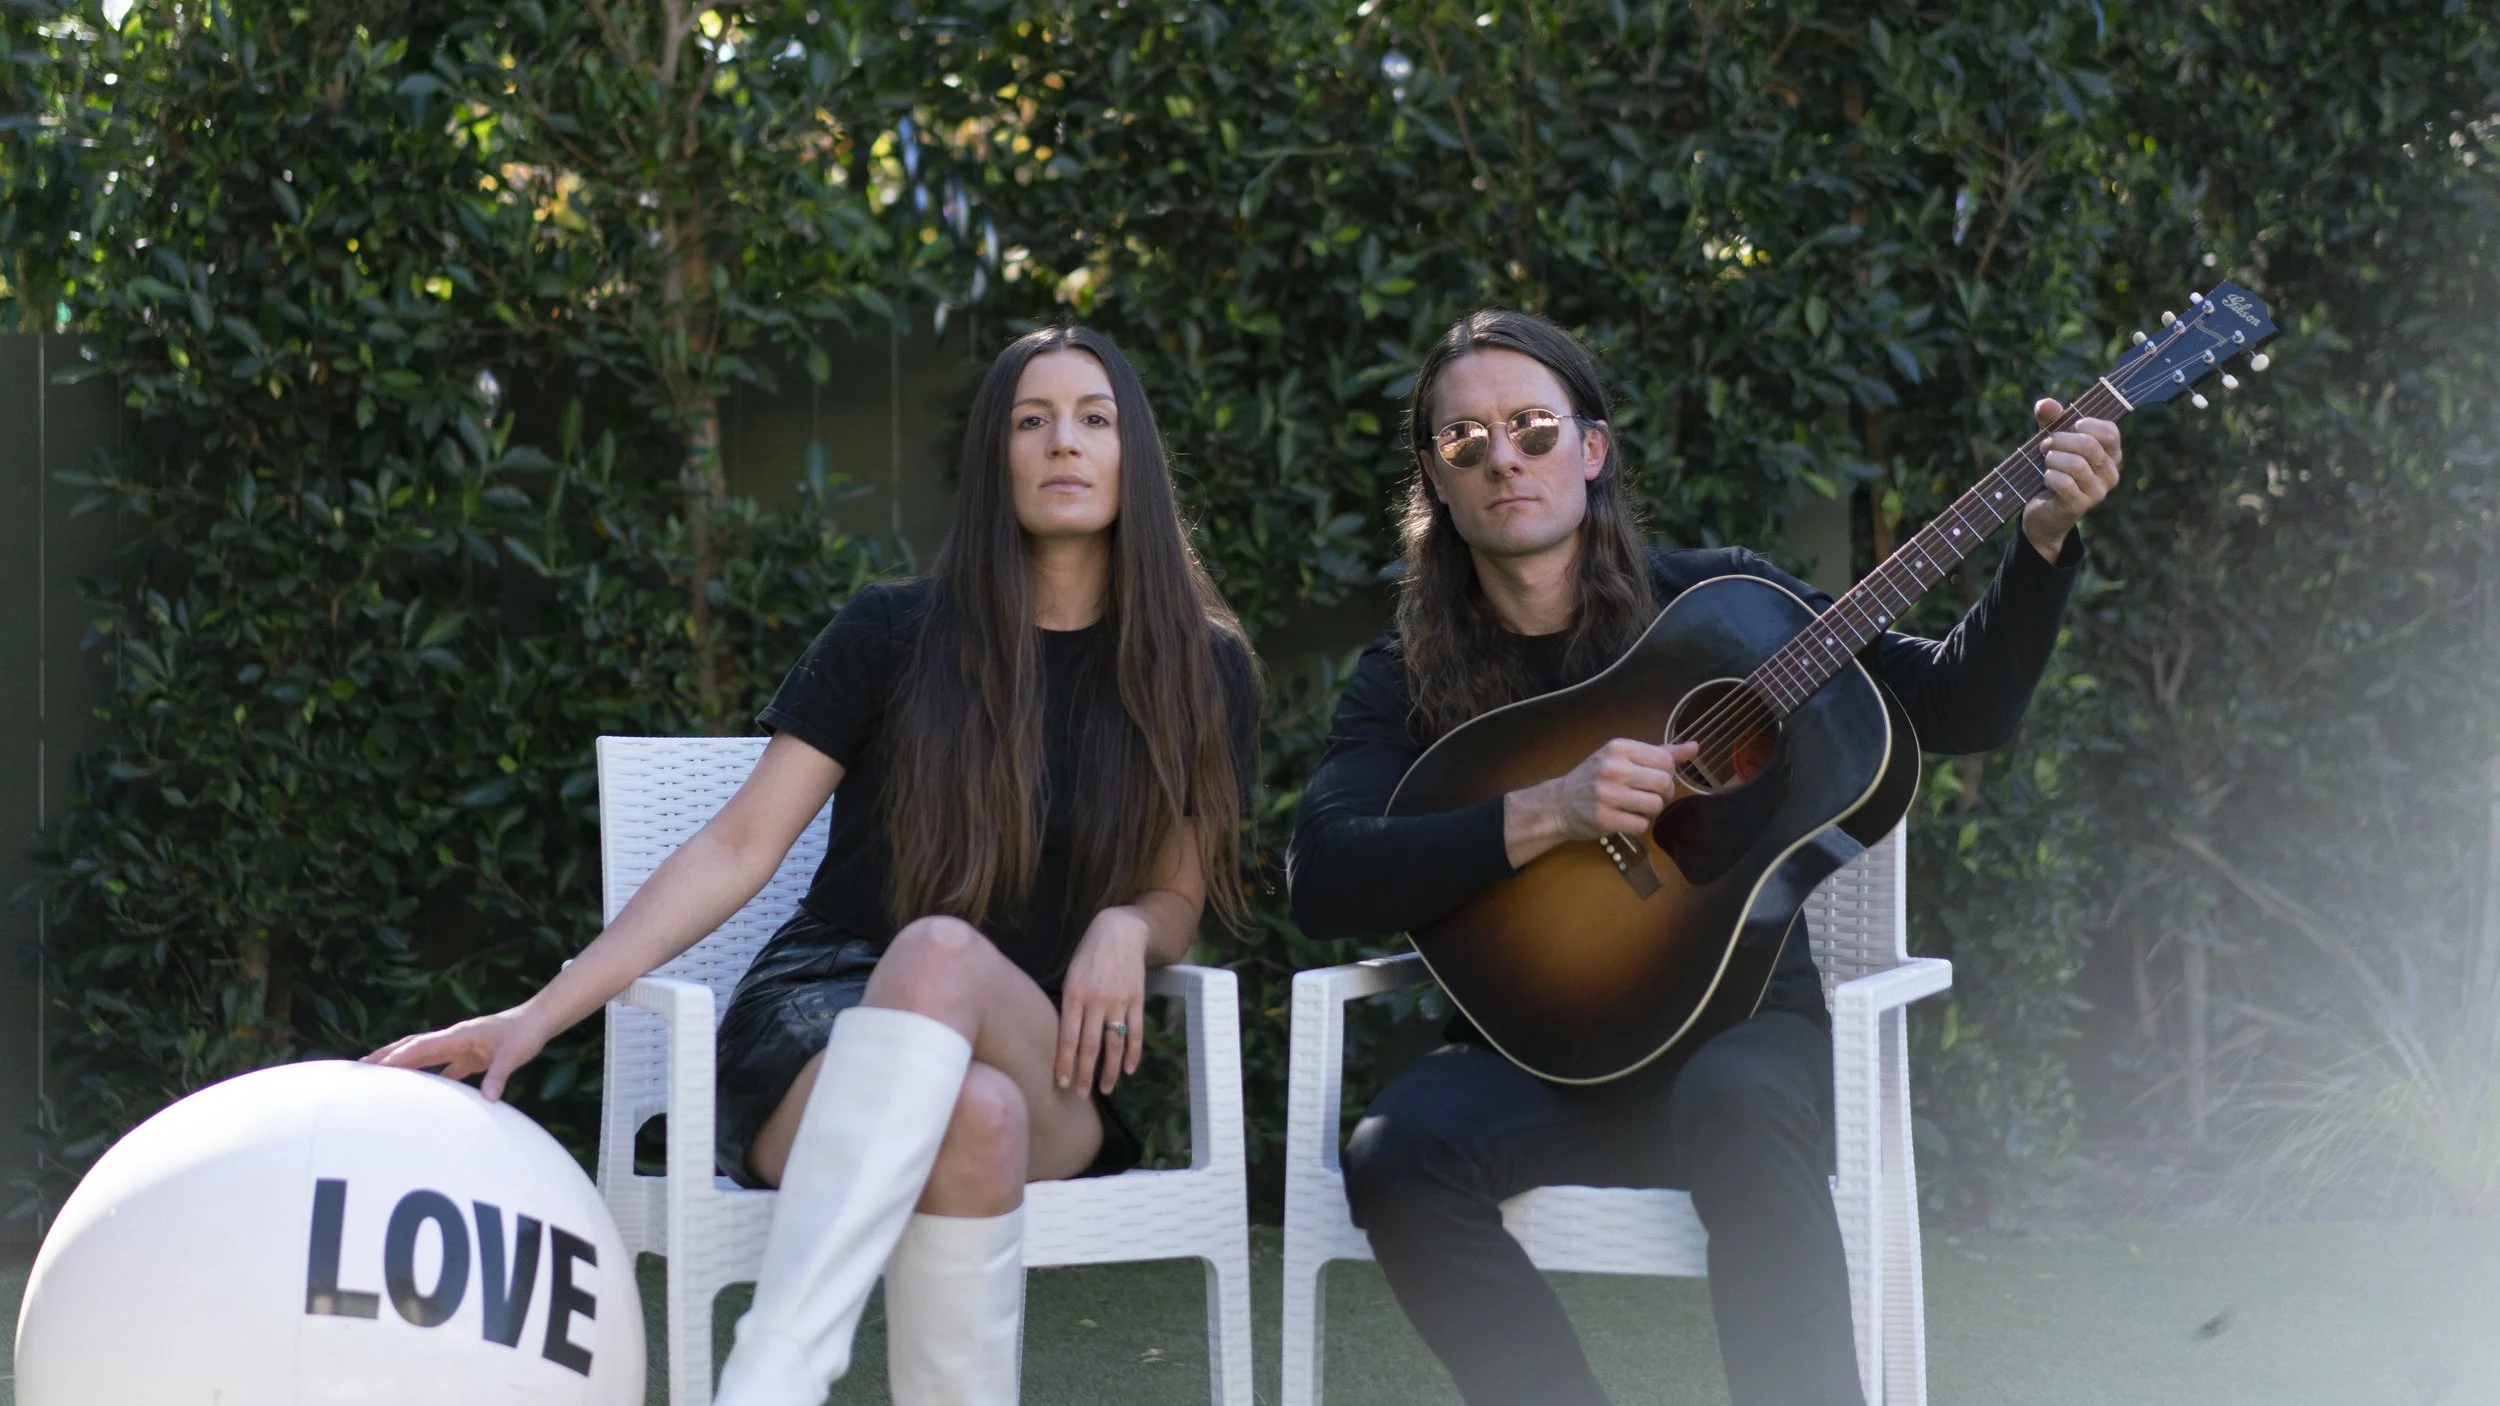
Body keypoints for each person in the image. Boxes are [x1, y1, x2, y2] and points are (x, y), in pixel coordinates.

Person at [371, 325, 1258, 1406]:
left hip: (1047, 1058)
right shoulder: (894, 632)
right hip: (820, 1021)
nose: (1062, 443)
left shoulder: (1202, 670)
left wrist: (1129, 924)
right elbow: (739, 845)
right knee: (967, 1101)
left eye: (1094, 418)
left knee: (954, 986)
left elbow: (1177, 890)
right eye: (1031, 421)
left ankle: (771, 1373)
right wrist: (541, 1012)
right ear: (995, 458)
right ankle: (784, 1372)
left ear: (1135, 456)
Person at [1286, 309, 2119, 1406]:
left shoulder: (1724, 610)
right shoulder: (1404, 672)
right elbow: (1323, 873)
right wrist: (1546, 807)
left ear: (1591, 448)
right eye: (1464, 440)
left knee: (1735, 1099)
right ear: (1436, 482)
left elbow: (1962, 703)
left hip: (1743, 1039)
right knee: (1395, 1150)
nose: (1502, 457)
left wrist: (2044, 539)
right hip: (1537, 1058)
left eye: (1533, 427)